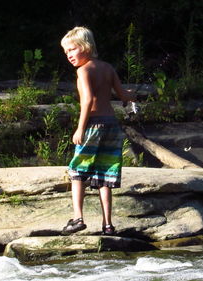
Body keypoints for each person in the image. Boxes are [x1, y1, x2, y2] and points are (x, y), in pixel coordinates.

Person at [60, 26, 135, 235]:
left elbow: (88, 100)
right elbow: (123, 95)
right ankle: (108, 225)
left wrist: (80, 128)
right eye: (66, 52)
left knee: (77, 172)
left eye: (72, 50)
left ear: (86, 47)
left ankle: (78, 219)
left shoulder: (83, 71)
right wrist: (131, 95)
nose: (69, 55)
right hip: (111, 125)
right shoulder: (108, 68)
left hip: (92, 125)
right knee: (104, 175)